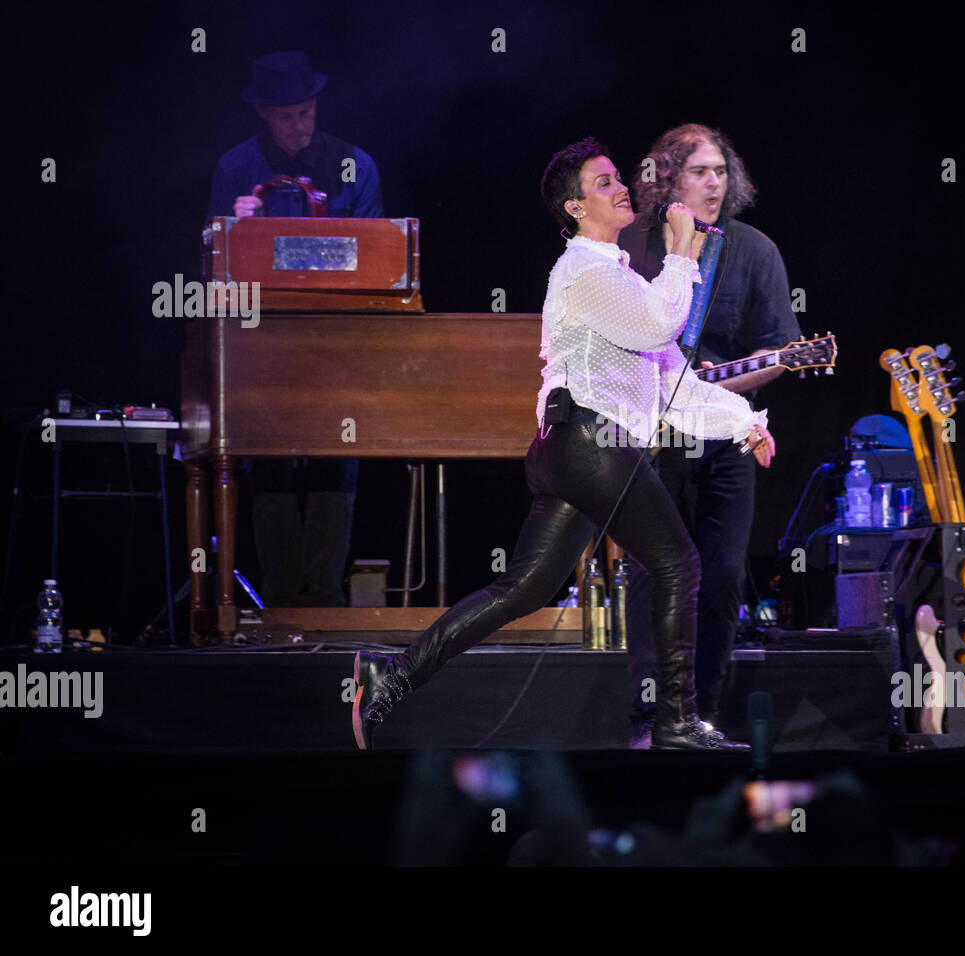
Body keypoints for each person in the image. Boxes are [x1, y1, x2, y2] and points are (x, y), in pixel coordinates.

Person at [351, 137, 774, 752]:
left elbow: (670, 385)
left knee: (519, 589)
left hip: (577, 450)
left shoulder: (619, 275)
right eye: (603, 183)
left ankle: (390, 677)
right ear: (574, 208)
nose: (621, 187)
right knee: (678, 562)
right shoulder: (584, 270)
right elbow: (663, 323)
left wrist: (743, 420)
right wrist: (683, 254)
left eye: (616, 179)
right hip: (589, 443)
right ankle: (676, 721)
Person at [618, 124, 802, 747]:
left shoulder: (754, 251)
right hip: (650, 440)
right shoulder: (631, 246)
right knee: (654, 572)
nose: (714, 182)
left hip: (724, 435)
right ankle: (650, 718)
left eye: (721, 171)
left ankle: (703, 715)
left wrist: (721, 388)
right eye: (699, 171)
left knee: (722, 575)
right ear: (667, 178)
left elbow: (780, 352)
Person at [206, 51, 383, 606]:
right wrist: (231, 230)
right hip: (264, 339)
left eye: (307, 112)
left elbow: (378, 256)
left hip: (336, 339)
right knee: (270, 465)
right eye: (287, 116)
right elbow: (211, 263)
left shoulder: (356, 163)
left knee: (337, 461)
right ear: (262, 112)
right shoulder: (236, 167)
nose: (299, 126)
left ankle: (326, 598)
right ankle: (282, 599)